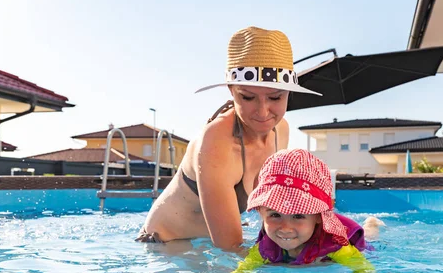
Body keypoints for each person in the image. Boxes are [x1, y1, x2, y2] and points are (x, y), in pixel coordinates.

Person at [136, 26, 321, 249]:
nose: (263, 112)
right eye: (248, 97)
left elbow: (274, 213)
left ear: (289, 94)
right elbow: (230, 247)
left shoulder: (281, 130)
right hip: (167, 244)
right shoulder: (216, 141)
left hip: (206, 244)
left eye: (275, 97)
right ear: (231, 91)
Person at [226, 149, 389, 273]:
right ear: (261, 212)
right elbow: (242, 272)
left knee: (370, 237)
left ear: (319, 216)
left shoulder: (336, 245)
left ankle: (371, 223)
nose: (285, 228)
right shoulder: (264, 248)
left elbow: (365, 271)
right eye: (275, 215)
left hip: (347, 236)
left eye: (298, 216)